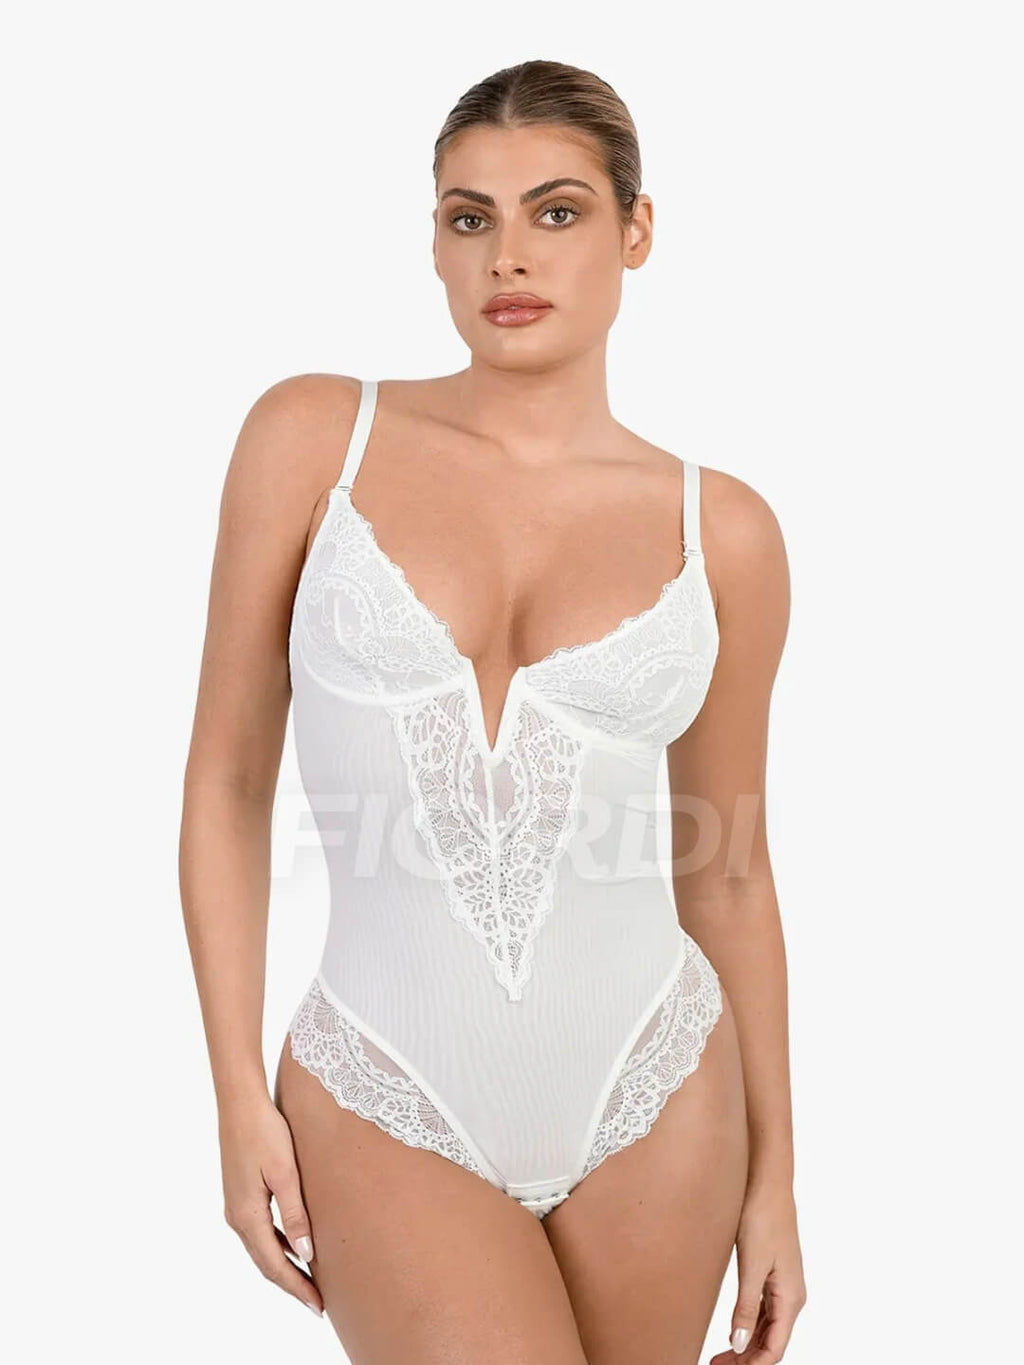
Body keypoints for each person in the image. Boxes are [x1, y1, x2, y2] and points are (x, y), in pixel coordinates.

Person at [180, 58, 805, 1365]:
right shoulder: (315, 439)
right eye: (470, 218)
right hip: (383, 1087)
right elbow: (228, 786)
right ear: (435, 242)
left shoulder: (724, 532)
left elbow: (729, 869)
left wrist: (776, 1179)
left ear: (637, 230)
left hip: (660, 1091)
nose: (506, 256)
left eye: (556, 210)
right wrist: (236, 1094)